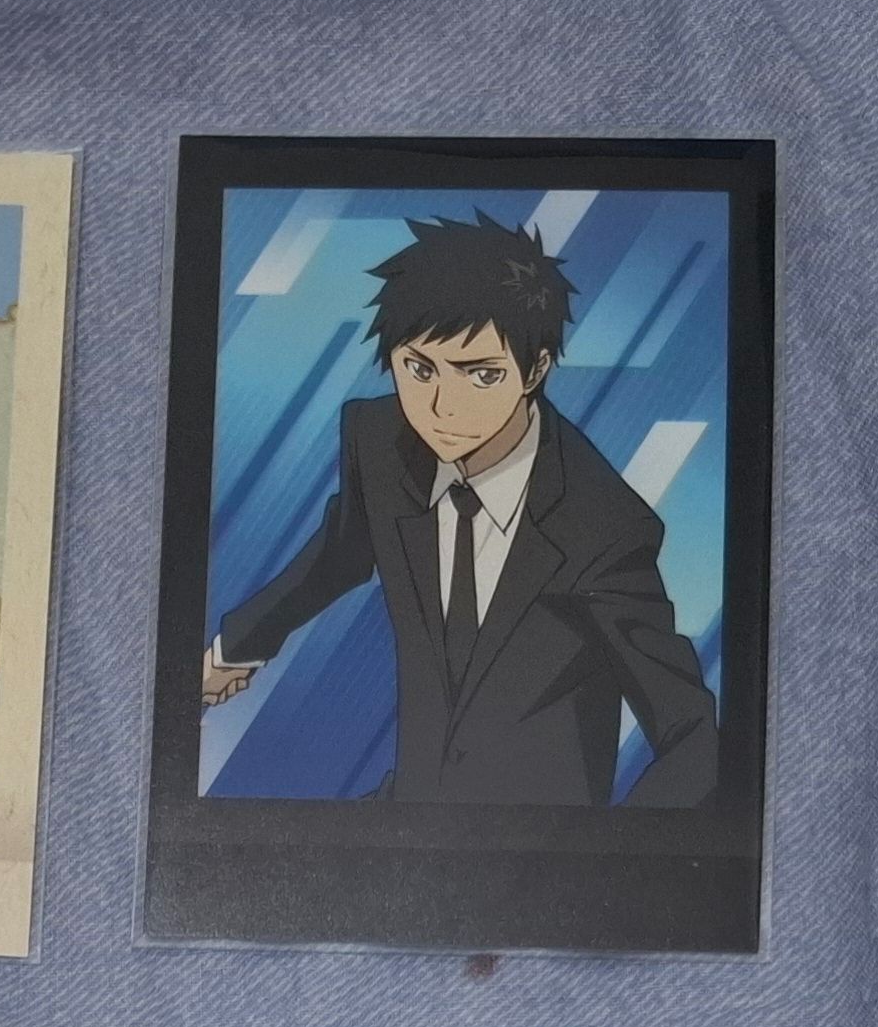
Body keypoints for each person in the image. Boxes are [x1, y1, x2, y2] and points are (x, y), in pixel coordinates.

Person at [204, 213, 716, 809]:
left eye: (482, 375)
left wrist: (605, 856)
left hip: (534, 845)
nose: (442, 407)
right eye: (419, 369)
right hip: (407, 813)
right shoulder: (380, 444)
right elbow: (339, 555)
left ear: (535, 369)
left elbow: (694, 737)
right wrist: (233, 650)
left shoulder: (602, 528)